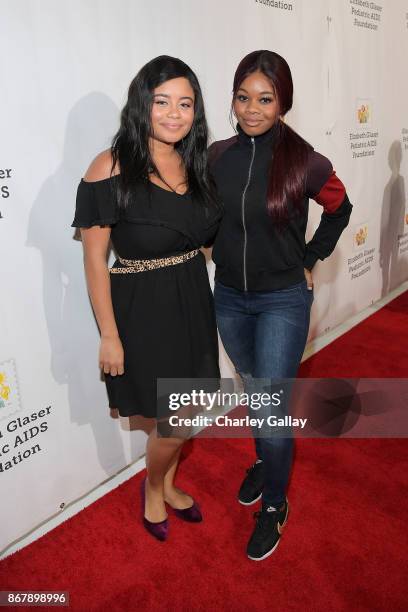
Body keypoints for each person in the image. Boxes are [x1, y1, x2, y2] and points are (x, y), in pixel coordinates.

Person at [208, 50, 353, 561]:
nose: (252, 109)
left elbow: (341, 208)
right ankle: (266, 462)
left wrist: (312, 257)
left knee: (270, 406)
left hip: (282, 302)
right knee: (256, 392)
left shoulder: (306, 160)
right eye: (243, 98)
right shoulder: (216, 156)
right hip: (228, 298)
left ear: (282, 103)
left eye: (265, 99)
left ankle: (274, 503)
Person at [71, 55, 222, 542]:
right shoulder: (109, 166)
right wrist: (109, 336)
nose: (175, 114)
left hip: (192, 300)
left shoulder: (194, 162)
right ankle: (153, 487)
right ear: (143, 104)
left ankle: (169, 481)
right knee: (173, 420)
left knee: (187, 407)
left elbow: (204, 237)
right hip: (143, 310)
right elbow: (95, 260)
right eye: (163, 102)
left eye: (185, 103)